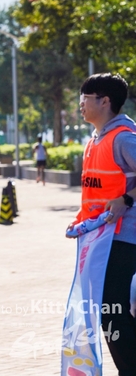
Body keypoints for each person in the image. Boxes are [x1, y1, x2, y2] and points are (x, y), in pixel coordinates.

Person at [67, 73, 136, 375]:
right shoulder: (95, 140)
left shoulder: (123, 138)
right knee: (112, 311)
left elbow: (121, 196)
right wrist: (81, 223)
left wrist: (127, 199)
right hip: (101, 240)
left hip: (125, 238)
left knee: (112, 311)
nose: (81, 104)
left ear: (104, 101)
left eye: (85, 98)